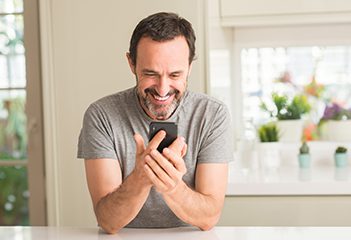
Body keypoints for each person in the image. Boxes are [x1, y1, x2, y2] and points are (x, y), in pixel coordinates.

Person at [77, 12, 233, 234]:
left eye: (175, 75)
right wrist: (140, 178)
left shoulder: (212, 115)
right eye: (150, 74)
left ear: (189, 66)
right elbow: (108, 221)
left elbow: (208, 218)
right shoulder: (102, 115)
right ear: (131, 63)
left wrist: (172, 186)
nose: (162, 89)